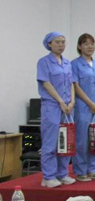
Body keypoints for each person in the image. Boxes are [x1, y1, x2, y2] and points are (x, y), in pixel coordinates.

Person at [37, 32, 76, 188]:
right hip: (52, 105)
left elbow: (72, 83)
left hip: (67, 107)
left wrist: (72, 101)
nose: (61, 45)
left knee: (66, 140)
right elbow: (46, 83)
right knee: (50, 141)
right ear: (49, 44)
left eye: (63, 42)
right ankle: (48, 176)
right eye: (57, 42)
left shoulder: (67, 63)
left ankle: (62, 173)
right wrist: (60, 101)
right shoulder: (44, 62)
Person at [72, 33, 95, 182]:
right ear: (79, 46)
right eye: (86, 44)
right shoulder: (75, 64)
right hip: (83, 107)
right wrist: (89, 103)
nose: (90, 47)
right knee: (82, 140)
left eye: (92, 44)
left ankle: (93, 169)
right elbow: (76, 86)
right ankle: (81, 171)